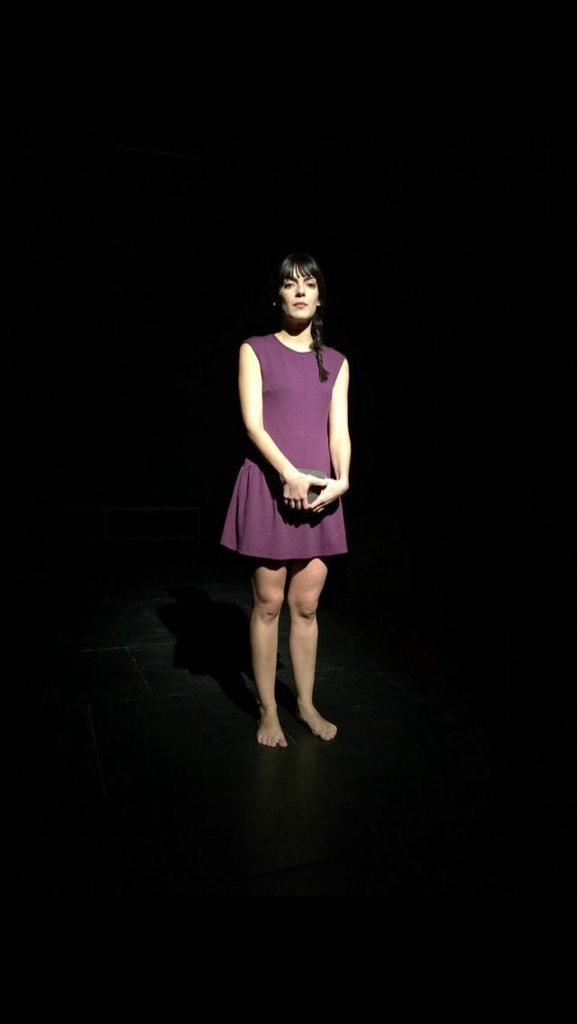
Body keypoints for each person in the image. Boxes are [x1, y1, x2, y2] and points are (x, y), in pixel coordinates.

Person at [219, 253, 351, 748]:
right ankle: (268, 710)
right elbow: (252, 424)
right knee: (269, 604)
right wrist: (288, 473)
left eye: (309, 284)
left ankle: (307, 704)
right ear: (277, 295)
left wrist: (342, 480)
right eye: (291, 284)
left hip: (319, 492)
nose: (300, 291)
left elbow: (339, 430)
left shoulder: (337, 362)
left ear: (320, 296)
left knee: (307, 606)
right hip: (272, 486)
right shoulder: (254, 349)